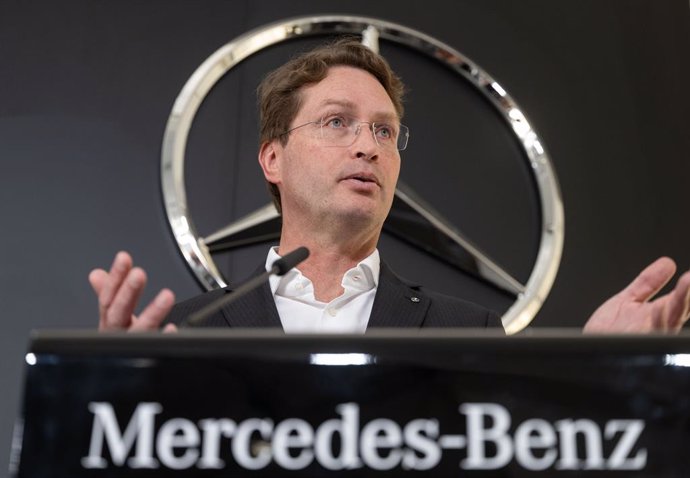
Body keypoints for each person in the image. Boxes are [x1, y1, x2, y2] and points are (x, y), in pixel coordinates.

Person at [88, 38, 690, 334]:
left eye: (384, 130)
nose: (367, 145)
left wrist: (597, 369)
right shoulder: (186, 334)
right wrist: (107, 389)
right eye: (337, 122)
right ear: (273, 158)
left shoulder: (470, 332)